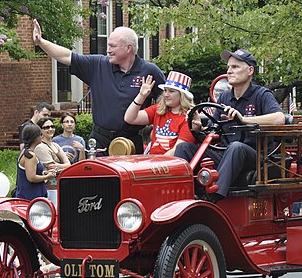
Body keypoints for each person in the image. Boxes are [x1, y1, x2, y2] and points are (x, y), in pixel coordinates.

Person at [32, 19, 166, 154]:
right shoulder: (98, 65)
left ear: (128, 48)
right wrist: (41, 42)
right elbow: (67, 56)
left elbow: (166, 103)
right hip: (100, 141)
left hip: (131, 142)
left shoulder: (150, 71)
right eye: (108, 46)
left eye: (113, 46)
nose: (108, 50)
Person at [175, 48, 285, 202]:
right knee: (184, 147)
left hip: (255, 155)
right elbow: (215, 130)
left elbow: (279, 118)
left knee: (236, 146)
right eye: (228, 67)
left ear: (250, 70)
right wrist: (200, 129)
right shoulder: (225, 97)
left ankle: (212, 197)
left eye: (235, 67)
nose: (229, 71)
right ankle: (182, 193)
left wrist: (244, 119)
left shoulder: (261, 94)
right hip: (226, 153)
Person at [124, 71, 196, 155]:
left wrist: (153, 164)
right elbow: (129, 118)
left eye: (171, 91)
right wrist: (141, 96)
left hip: (170, 165)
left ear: (182, 95)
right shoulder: (158, 109)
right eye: (165, 90)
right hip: (154, 162)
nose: (166, 94)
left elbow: (177, 151)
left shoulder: (188, 118)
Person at [16, 124, 56, 201]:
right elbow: (31, 177)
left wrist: (45, 173)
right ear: (35, 137)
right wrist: (48, 176)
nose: (42, 136)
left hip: (30, 195)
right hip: (30, 197)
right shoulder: (30, 155)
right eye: (40, 134)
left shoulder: (25, 151)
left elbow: (30, 171)